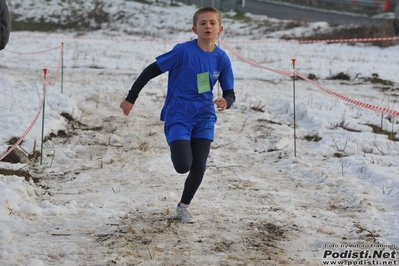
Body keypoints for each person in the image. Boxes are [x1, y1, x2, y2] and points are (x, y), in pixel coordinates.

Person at [120, 7, 235, 223]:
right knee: (183, 166)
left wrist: (225, 101)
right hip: (178, 115)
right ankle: (180, 146)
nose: (207, 26)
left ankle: (183, 206)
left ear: (220, 29)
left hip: (204, 117)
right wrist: (131, 98)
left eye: (212, 23)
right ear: (195, 29)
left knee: (199, 165)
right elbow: (150, 71)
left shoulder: (222, 58)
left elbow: (230, 92)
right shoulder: (182, 51)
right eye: (203, 23)